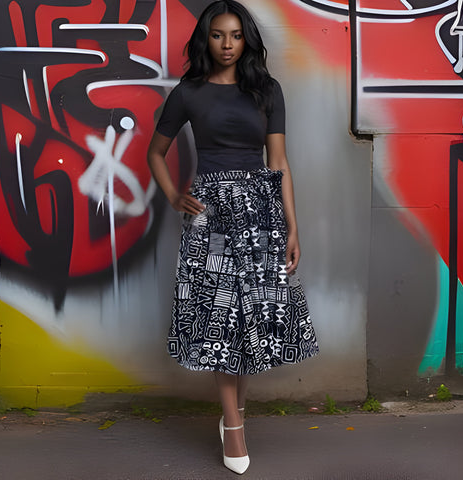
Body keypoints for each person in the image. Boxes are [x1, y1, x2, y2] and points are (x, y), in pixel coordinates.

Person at [147, 0, 319, 474]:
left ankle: (233, 418)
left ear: (247, 40)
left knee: (251, 320)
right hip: (211, 216)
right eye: (218, 35)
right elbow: (155, 152)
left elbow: (278, 163)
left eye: (236, 35)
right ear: (206, 39)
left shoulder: (267, 91)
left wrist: (292, 226)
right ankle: (234, 428)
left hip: (261, 213)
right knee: (221, 319)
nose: (227, 45)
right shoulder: (189, 92)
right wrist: (173, 194)